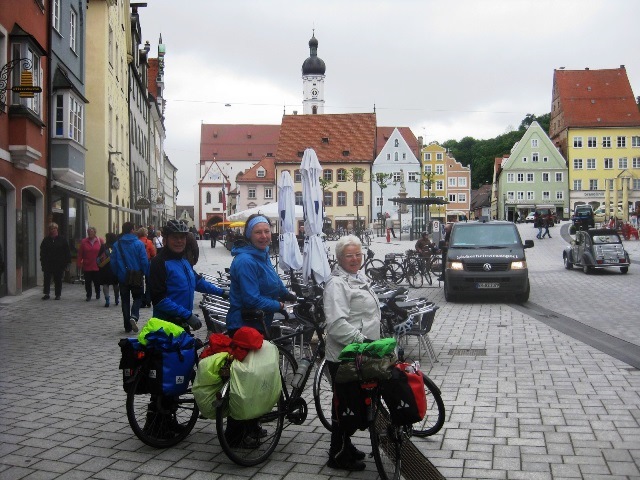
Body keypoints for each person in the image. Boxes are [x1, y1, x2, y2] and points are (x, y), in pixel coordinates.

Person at [323, 234, 381, 471]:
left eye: (358, 254)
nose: (355, 258)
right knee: (345, 405)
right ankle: (337, 455)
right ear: (339, 258)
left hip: (362, 354)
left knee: (351, 404)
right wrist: (362, 340)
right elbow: (336, 325)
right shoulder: (337, 284)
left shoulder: (358, 277)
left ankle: (345, 445)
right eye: (349, 255)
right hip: (345, 356)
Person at [149, 220, 225, 330]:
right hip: (166, 326)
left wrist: (222, 292)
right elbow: (159, 299)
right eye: (175, 237)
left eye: (182, 237)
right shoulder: (159, 262)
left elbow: (197, 281)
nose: (179, 241)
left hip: (182, 323)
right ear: (165, 240)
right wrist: (188, 315)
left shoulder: (183, 260)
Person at [226, 214, 293, 336]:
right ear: (249, 235)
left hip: (259, 322)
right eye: (258, 232)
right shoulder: (245, 261)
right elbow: (252, 300)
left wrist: (286, 294)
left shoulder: (262, 253)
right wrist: (278, 305)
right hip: (244, 327)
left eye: (267, 231)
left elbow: (274, 278)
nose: (264, 236)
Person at [110, 222, 149, 333]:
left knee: (125, 300)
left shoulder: (117, 244)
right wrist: (145, 272)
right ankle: (134, 316)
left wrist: (117, 273)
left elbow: (113, 262)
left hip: (123, 277)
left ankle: (127, 326)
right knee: (138, 298)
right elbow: (144, 260)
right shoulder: (139, 244)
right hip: (136, 276)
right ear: (132, 230)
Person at [40, 222, 71, 300]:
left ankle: (58, 294)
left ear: (57, 229)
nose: (52, 230)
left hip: (59, 263)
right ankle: (46, 293)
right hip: (48, 263)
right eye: (51, 229)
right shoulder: (46, 240)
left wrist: (67, 262)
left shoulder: (62, 239)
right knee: (47, 279)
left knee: (58, 279)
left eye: (54, 228)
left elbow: (66, 251)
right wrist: (42, 261)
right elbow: (42, 252)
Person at [77, 227, 103, 301]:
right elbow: (80, 253)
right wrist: (79, 262)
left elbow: (104, 252)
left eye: (91, 232)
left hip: (97, 265)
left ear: (95, 232)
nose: (90, 233)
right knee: (87, 282)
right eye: (88, 232)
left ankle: (98, 293)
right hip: (87, 264)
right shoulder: (83, 241)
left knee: (97, 281)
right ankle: (88, 295)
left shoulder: (100, 240)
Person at [97, 232, 120, 307]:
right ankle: (116, 298)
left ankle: (107, 299)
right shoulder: (117, 246)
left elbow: (99, 257)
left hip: (105, 268)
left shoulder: (103, 246)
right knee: (115, 284)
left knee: (105, 284)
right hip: (114, 267)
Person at [137, 227, 157, 308]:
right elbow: (153, 254)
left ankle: (142, 300)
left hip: (138, 264)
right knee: (149, 282)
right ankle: (148, 299)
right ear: (146, 234)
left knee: (140, 282)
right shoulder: (148, 242)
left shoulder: (136, 242)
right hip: (148, 263)